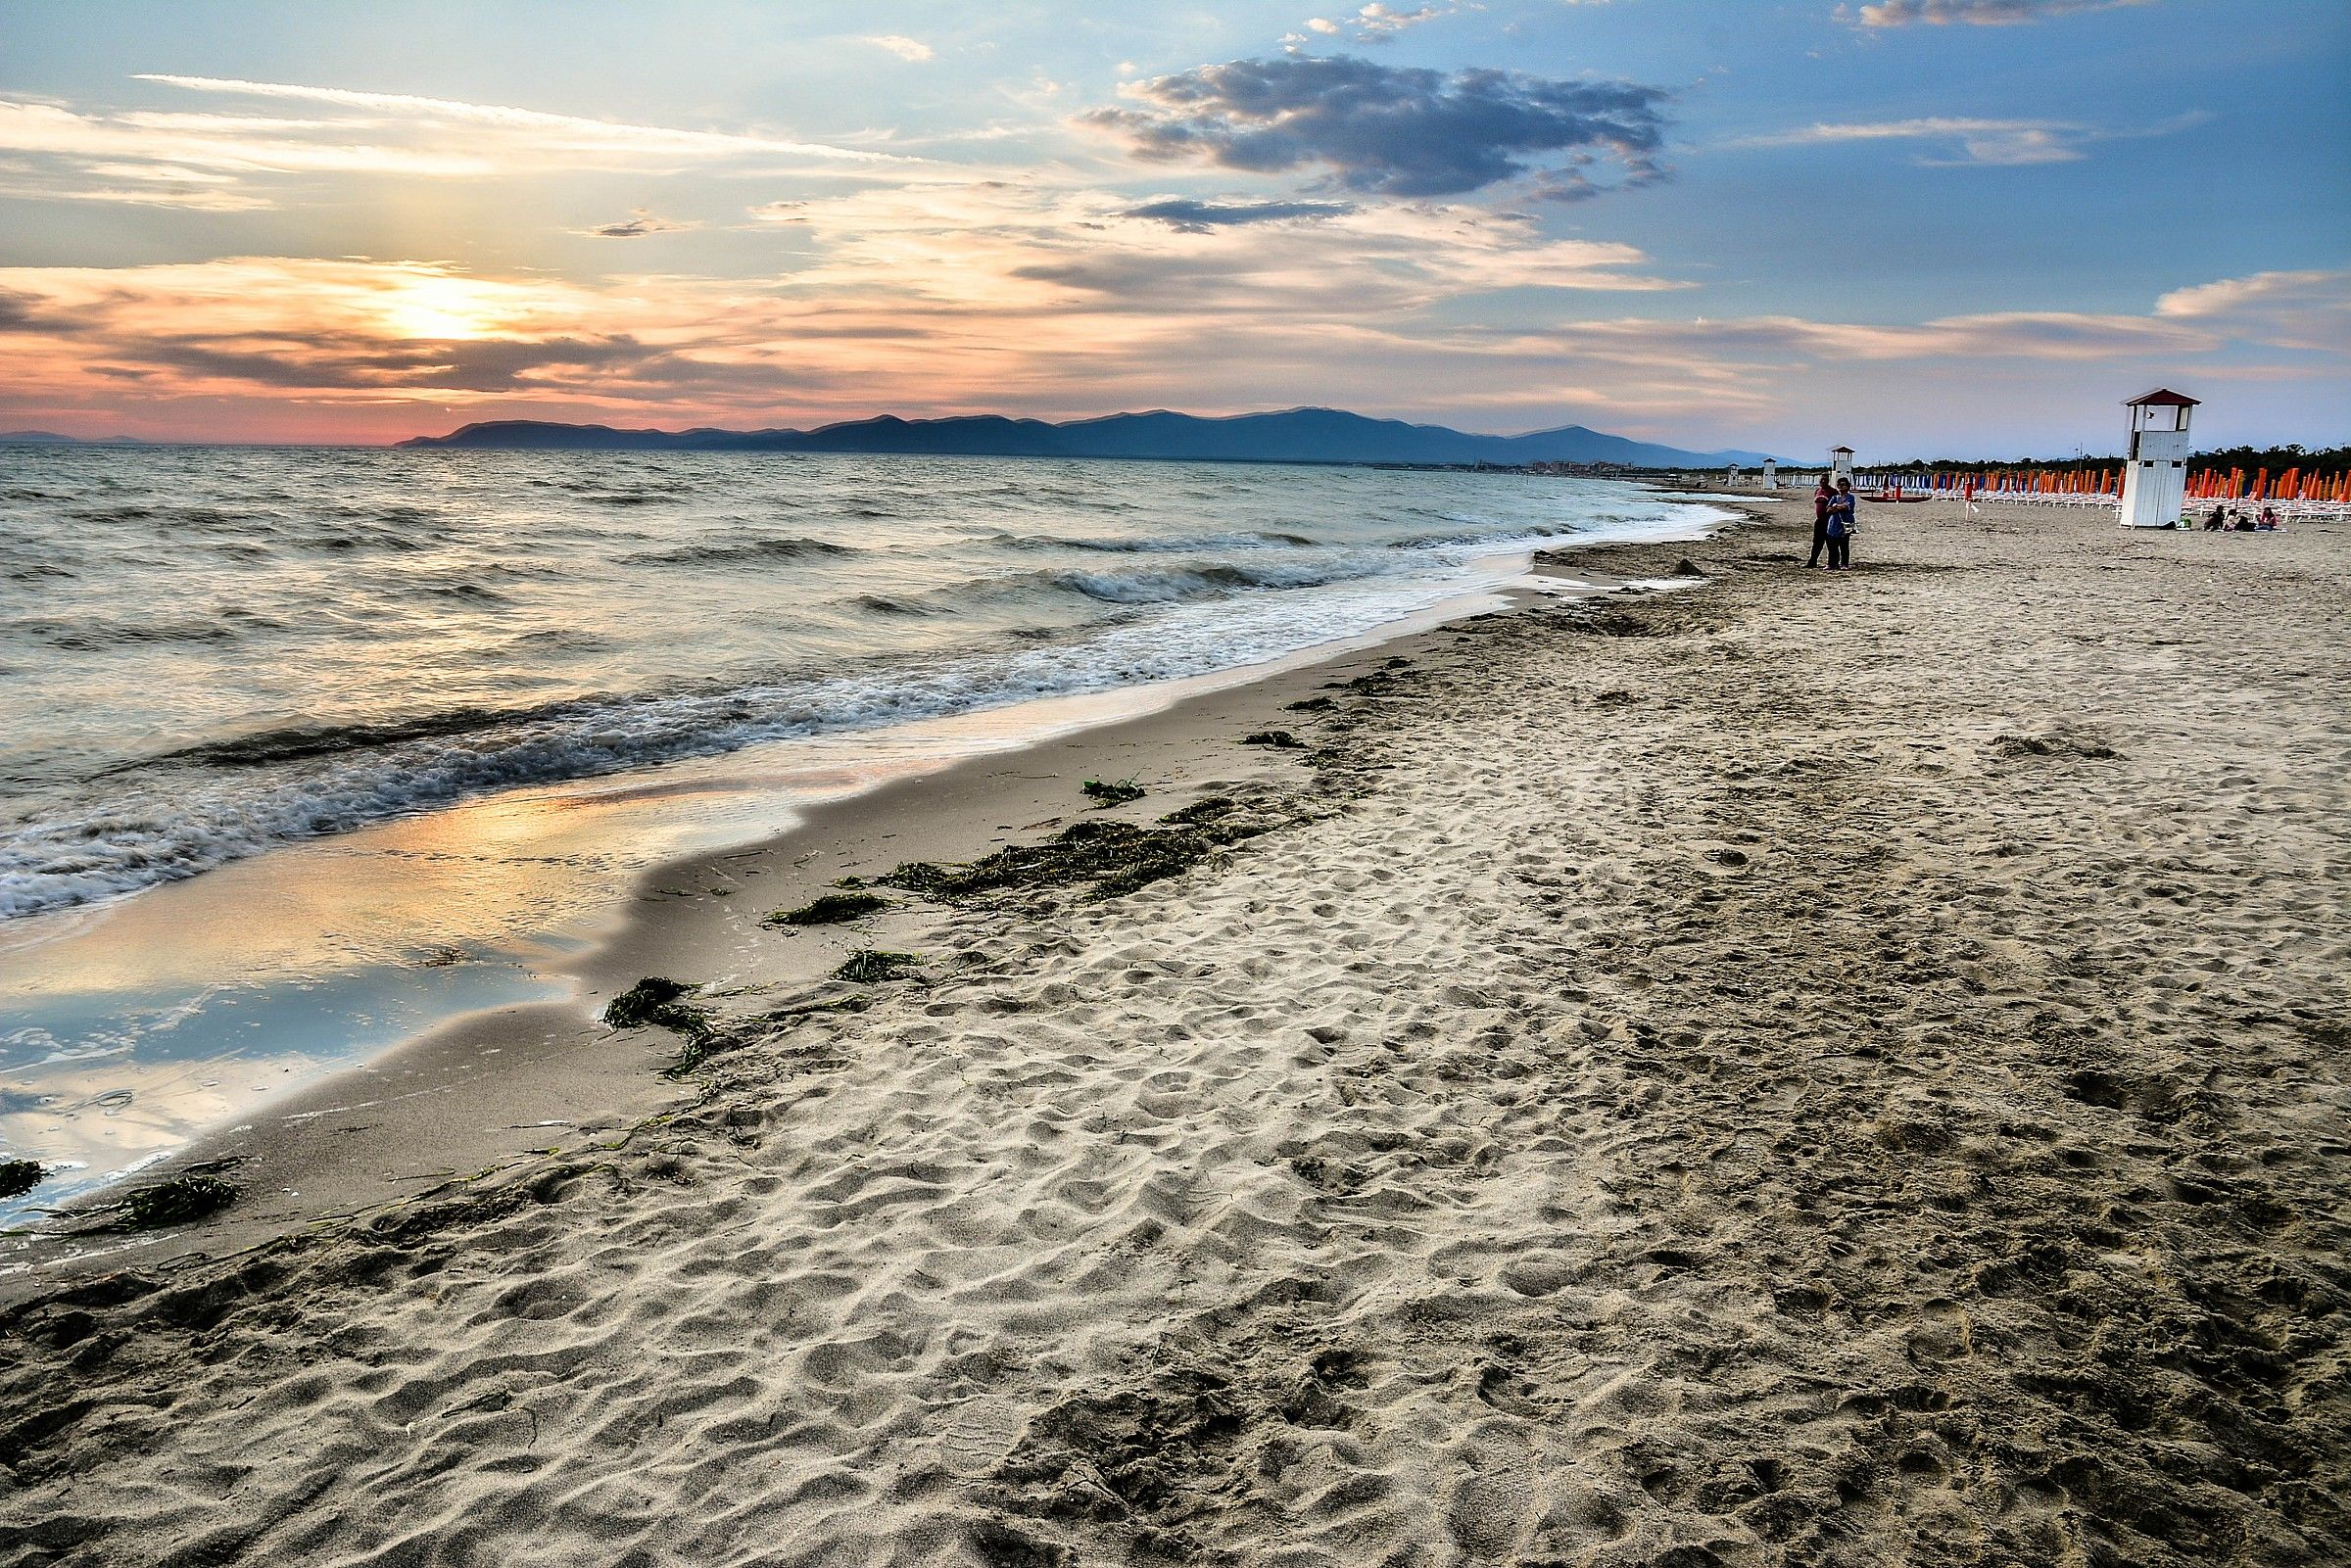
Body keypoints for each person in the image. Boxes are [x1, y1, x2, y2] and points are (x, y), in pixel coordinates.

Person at [1825, 479, 1856, 571]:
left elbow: (1847, 507)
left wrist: (1835, 507)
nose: (1840, 486)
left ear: (1847, 486)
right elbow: (1828, 509)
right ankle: (1832, 563)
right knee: (1832, 546)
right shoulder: (1834, 497)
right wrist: (1838, 507)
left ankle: (1844, 563)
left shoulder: (1850, 497)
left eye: (1842, 484)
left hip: (1845, 524)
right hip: (1834, 523)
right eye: (1839, 484)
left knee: (1844, 545)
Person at [1807, 476, 1833, 567]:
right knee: (1817, 542)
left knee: (1830, 543)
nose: (1823, 481)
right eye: (1821, 479)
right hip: (1819, 520)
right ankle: (1812, 562)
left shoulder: (1833, 491)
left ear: (1828, 481)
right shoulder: (1818, 491)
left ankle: (1832, 563)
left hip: (1829, 520)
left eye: (1825, 480)